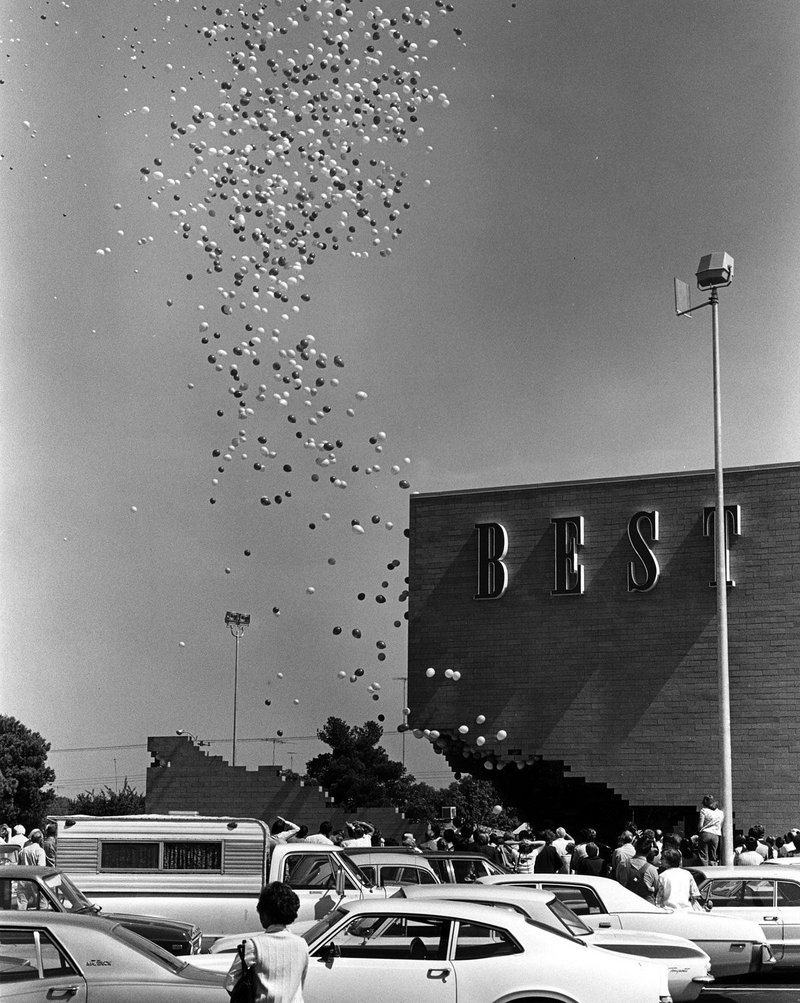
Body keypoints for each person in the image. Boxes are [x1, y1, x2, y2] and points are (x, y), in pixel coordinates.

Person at [225, 882, 309, 1003]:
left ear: (265, 913)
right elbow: (300, 984)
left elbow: (230, 983)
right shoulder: (302, 945)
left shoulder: (254, 945)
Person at [697, 796, 724, 865]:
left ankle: (705, 871)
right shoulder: (721, 813)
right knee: (713, 855)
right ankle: (713, 870)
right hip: (716, 835)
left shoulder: (704, 810)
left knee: (703, 856)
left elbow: (700, 825)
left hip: (705, 833)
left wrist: (699, 831)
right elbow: (720, 824)